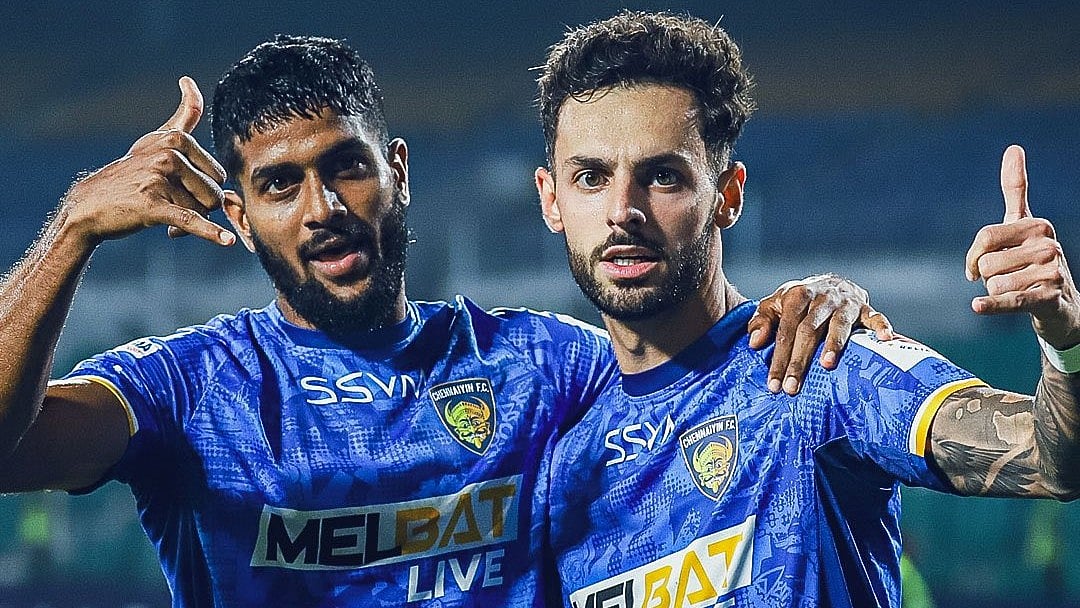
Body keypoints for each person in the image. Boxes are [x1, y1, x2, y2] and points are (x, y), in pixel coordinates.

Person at [0, 36, 886, 607]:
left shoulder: (548, 367)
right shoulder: (190, 390)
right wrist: (72, 228)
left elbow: (707, 370)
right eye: (279, 185)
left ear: (397, 171)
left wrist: (819, 300)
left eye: (346, 167)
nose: (322, 209)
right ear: (239, 215)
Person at [535, 11, 1080, 608]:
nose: (622, 210)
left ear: (727, 196)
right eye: (590, 177)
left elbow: (1052, 461)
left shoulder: (818, 361)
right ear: (551, 199)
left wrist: (1066, 337)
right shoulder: (560, 461)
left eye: (663, 176)